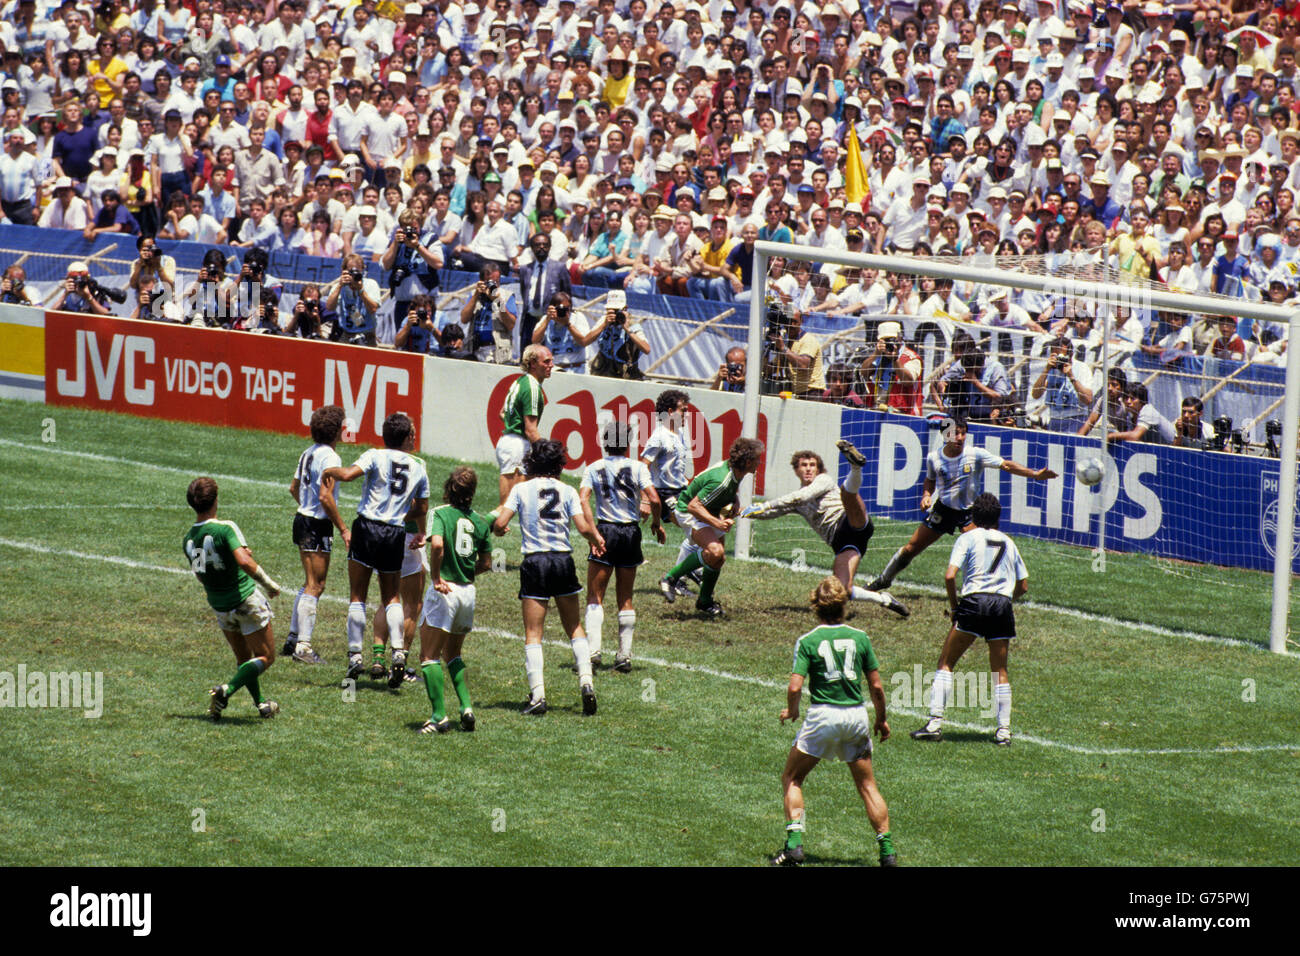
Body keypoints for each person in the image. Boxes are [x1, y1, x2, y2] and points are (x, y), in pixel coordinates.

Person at [772, 575, 895, 867]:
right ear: (844, 604)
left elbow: (794, 686)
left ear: (815, 605)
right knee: (867, 786)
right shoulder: (860, 638)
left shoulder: (808, 641)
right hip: (855, 717)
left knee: (792, 777)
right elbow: (877, 688)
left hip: (823, 716)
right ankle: (887, 852)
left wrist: (792, 711)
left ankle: (794, 846)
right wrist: (882, 720)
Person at [867, 416, 1056, 592]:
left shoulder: (975, 454)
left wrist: (1034, 474)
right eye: (955, 433)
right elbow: (930, 480)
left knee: (981, 552)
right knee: (911, 548)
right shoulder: (934, 458)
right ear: (945, 435)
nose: (960, 437)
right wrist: (926, 495)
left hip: (969, 514)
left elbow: (1005, 465)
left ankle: (985, 590)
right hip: (943, 510)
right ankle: (884, 579)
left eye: (963, 433)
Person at [492, 439, 605, 717]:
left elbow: (500, 522)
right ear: (558, 464)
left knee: (534, 632)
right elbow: (581, 527)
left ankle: (539, 695)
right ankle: (587, 683)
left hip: (535, 561)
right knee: (574, 626)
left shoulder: (521, 488)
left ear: (532, 462)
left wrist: (498, 531)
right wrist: (596, 538)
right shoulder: (567, 490)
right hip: (562, 560)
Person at [321, 412, 430, 685]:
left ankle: (356, 656)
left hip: (366, 528)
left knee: (357, 595)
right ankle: (398, 654)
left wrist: (329, 470)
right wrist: (406, 517)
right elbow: (422, 507)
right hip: (393, 532)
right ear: (406, 438)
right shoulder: (418, 466)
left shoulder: (374, 455)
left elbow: (347, 475)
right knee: (392, 596)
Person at [911, 493, 1026, 747]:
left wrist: (955, 608)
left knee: (946, 662)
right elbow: (1024, 585)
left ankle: (934, 723)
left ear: (973, 516)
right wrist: (1007, 600)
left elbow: (950, 576)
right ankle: (1004, 731)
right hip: (1001, 605)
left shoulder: (967, 538)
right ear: (998, 517)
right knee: (1000, 670)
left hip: (974, 602)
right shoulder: (1009, 542)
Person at [744, 443, 909, 618]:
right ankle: (884, 599)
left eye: (812, 465)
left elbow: (801, 496)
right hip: (843, 543)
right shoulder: (797, 501)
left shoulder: (824, 481)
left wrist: (765, 504)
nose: (808, 469)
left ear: (818, 468)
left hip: (849, 522)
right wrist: (743, 512)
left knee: (847, 493)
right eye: (803, 465)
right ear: (796, 470)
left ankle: (855, 467)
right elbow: (773, 512)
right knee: (842, 591)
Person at [183, 476, 283, 721]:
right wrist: (269, 584)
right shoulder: (225, 527)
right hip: (245, 598)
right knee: (266, 657)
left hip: (220, 606)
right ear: (216, 500)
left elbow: (200, 576)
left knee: (243, 660)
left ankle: (261, 704)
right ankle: (226, 690)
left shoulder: (187, 540)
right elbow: (244, 561)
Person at [410, 466, 493, 734]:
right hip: (468, 592)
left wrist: (435, 577)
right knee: (453, 653)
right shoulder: (480, 522)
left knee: (428, 655)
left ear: (448, 488)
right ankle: (466, 708)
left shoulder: (440, 513)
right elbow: (487, 563)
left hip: (444, 592)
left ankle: (438, 717)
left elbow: (438, 545)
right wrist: (467, 571)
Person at [581, 416, 664, 673]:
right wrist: (655, 523)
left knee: (595, 595)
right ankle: (624, 655)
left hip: (605, 529)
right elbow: (655, 499)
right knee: (625, 596)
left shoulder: (594, 467)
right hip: (630, 532)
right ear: (627, 443)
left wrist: (593, 531)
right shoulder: (638, 467)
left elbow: (583, 497)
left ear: (605, 442)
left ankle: (593, 652)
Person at [659, 436, 765, 618]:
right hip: (689, 511)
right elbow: (693, 505)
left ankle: (704, 601)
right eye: (757, 459)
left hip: (709, 510)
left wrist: (735, 500)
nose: (759, 462)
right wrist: (718, 523)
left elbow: (729, 489)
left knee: (717, 559)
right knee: (715, 552)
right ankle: (670, 578)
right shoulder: (721, 479)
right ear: (748, 462)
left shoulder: (735, 471)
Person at [282, 405, 350, 666]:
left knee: (309, 581)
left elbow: (293, 487)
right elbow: (325, 497)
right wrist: (343, 528)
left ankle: (293, 637)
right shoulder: (331, 458)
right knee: (316, 584)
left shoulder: (307, 453)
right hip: (317, 524)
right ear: (337, 431)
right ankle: (304, 647)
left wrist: (305, 507)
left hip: (302, 519)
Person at [495, 344, 553, 507]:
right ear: (533, 363)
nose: (551, 366)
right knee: (508, 507)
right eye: (546, 362)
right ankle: (480, 530)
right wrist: (548, 455)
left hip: (508, 443)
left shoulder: (519, 381)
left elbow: (503, 413)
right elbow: (530, 429)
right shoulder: (533, 387)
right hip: (517, 447)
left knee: (515, 506)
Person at [859, 321, 922, 415]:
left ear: (900, 338)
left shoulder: (911, 358)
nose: (889, 343)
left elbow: (908, 381)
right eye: (885, 340)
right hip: (877, 410)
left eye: (892, 339)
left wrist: (895, 359)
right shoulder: (878, 355)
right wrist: (876, 354)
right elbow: (863, 373)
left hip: (904, 414)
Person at [1107, 382, 1176, 445]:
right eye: (1126, 398)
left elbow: (1135, 436)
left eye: (1132, 398)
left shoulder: (1148, 411)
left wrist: (1111, 436)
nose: (1128, 401)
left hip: (1176, 448)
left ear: (1142, 401)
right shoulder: (1130, 416)